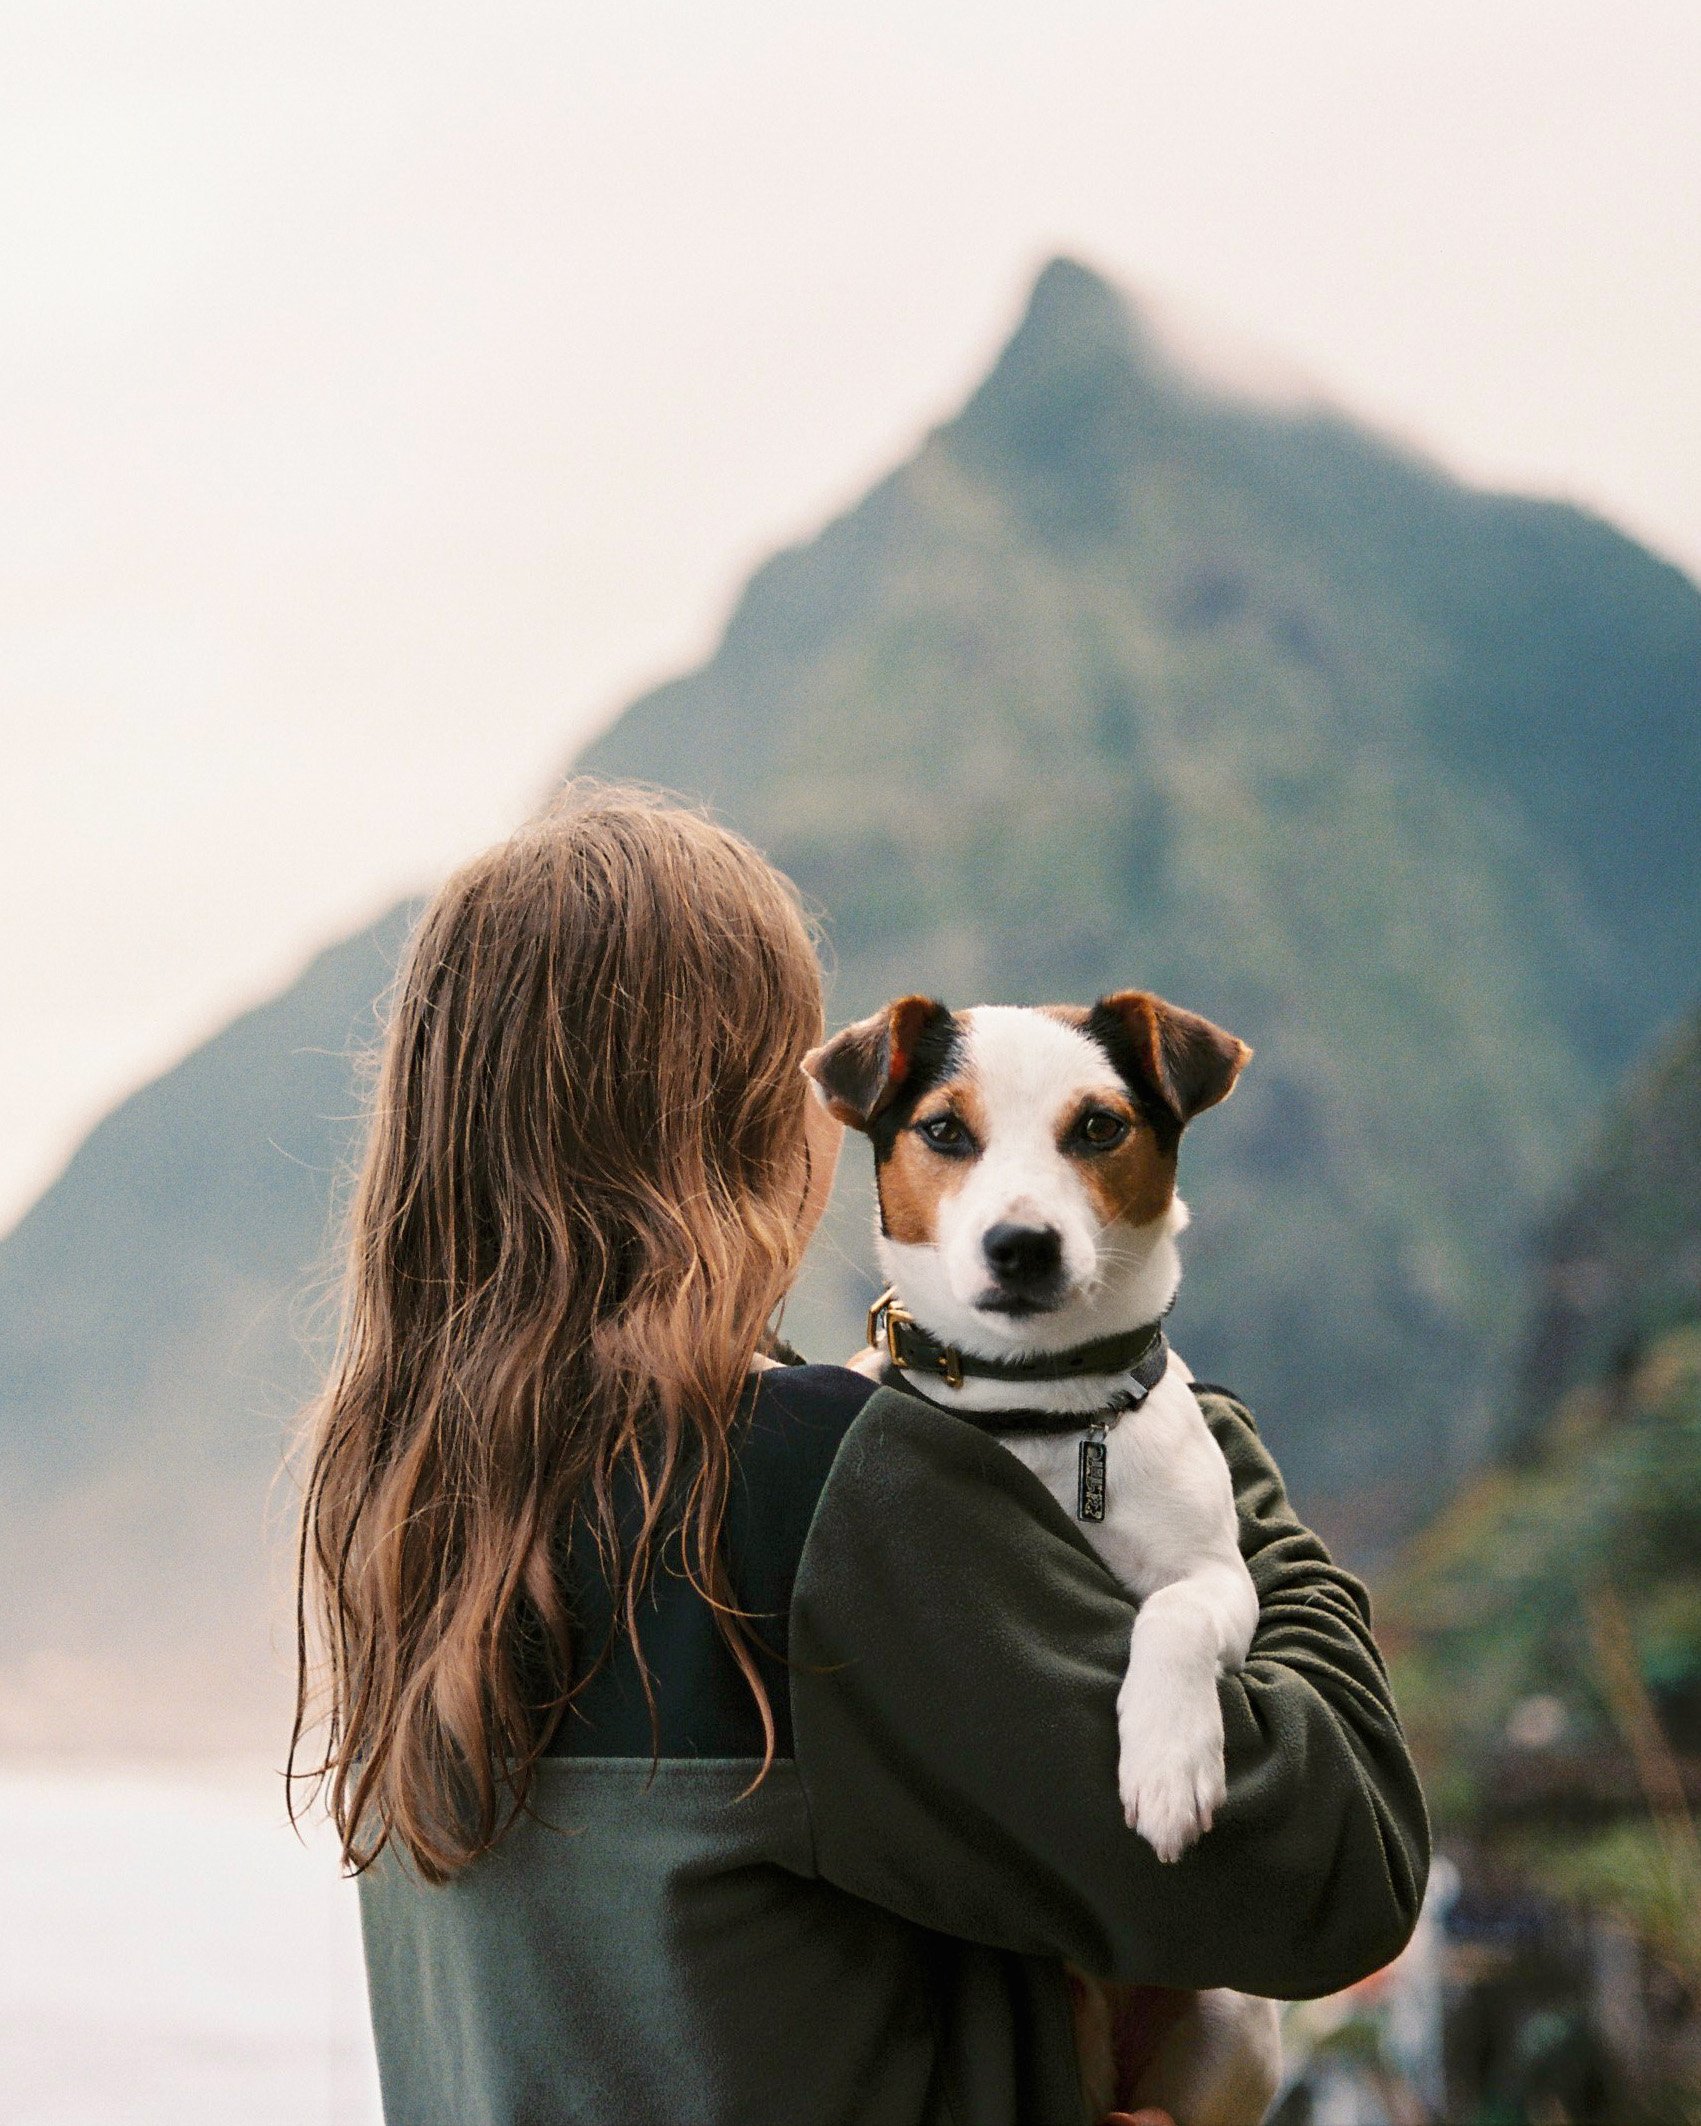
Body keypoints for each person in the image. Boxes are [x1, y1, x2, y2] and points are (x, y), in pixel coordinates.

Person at [292, 782, 1429, 2126]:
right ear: (760, 1123)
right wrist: (1173, 1426)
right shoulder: (805, 1489)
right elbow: (1336, 1866)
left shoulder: (408, 1520)